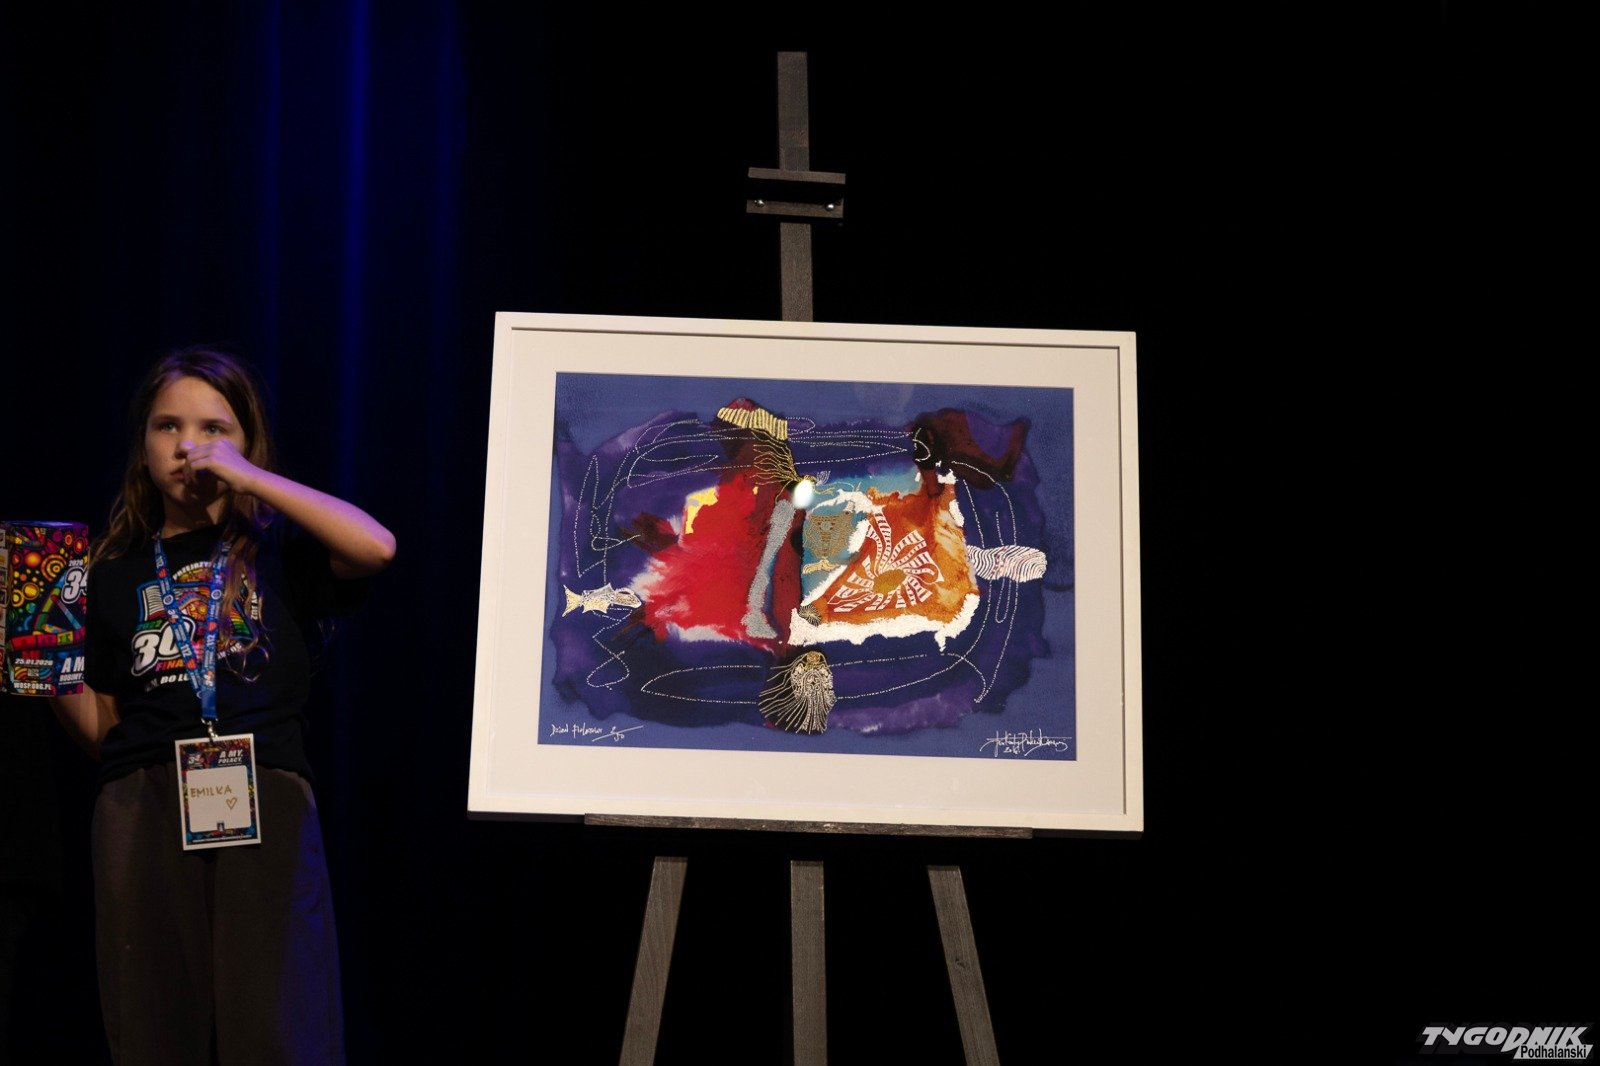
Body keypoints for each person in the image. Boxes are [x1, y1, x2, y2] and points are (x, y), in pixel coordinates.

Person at [51, 346, 395, 1065]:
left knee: (278, 1024)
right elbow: (104, 732)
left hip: (263, 792)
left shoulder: (281, 552)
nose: (189, 446)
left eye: (214, 429)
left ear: (246, 442)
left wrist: (250, 480)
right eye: (168, 427)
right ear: (143, 444)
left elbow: (376, 547)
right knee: (151, 1022)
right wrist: (42, 657)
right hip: (142, 798)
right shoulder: (108, 571)